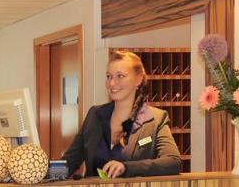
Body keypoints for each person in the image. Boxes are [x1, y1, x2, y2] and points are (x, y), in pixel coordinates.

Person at [62, 50, 182, 178]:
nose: (111, 83)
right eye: (109, 76)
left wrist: (126, 168)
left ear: (138, 79)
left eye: (120, 76)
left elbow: (173, 162)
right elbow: (70, 162)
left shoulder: (155, 119)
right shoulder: (94, 115)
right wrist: (47, 171)